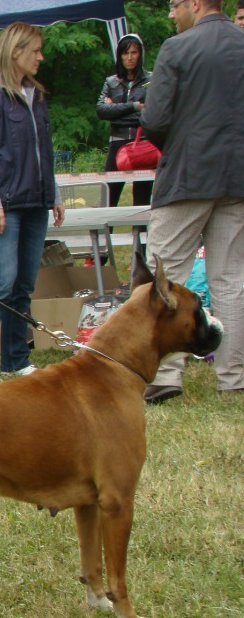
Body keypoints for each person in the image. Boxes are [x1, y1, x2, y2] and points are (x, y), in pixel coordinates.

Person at [140, 0, 244, 402]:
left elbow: (155, 120)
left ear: (196, 3)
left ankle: (165, 375)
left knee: (164, 276)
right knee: (230, 280)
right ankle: (233, 379)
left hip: (187, 175)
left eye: (174, 4)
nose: (170, 14)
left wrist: (180, 147)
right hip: (237, 176)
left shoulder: (177, 47)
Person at [0, 23, 65, 386]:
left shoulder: (36, 96)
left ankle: (15, 359)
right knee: (1, 283)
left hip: (35, 203)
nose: (41, 57)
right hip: (3, 206)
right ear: (16, 52)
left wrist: (52, 194)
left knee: (24, 285)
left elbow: (45, 152)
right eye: (35, 50)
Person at [96, 34, 154, 208]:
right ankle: (107, 235)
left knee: (142, 201)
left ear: (140, 54)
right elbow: (101, 111)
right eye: (125, 53)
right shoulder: (111, 82)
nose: (129, 57)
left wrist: (117, 112)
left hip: (142, 144)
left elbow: (152, 113)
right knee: (109, 197)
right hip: (117, 143)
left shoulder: (151, 80)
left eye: (134, 53)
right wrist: (135, 106)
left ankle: (140, 236)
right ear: (119, 55)